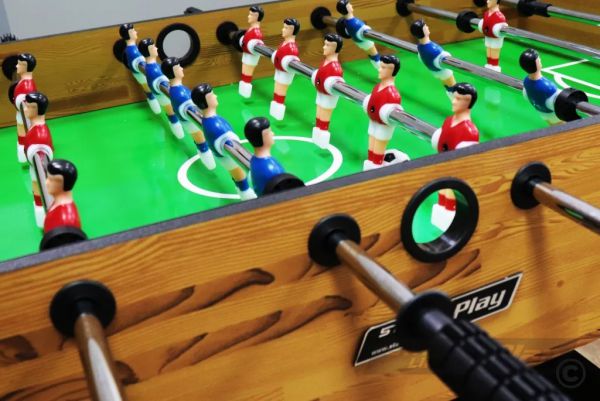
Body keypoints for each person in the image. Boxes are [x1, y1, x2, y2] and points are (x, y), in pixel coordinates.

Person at [191, 84, 257, 200]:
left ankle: (244, 191)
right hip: (224, 154)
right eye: (212, 95)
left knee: (238, 174)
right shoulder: (215, 125)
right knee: (239, 174)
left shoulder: (209, 121)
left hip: (221, 152)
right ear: (205, 101)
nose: (215, 96)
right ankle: (245, 192)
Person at [431, 83, 480, 231]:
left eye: (458, 99)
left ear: (468, 102)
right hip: (442, 165)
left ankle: (451, 213)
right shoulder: (448, 121)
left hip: (454, 173)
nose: (453, 101)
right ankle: (443, 209)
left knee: (452, 193)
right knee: (442, 192)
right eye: (454, 97)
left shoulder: (469, 131)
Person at [161, 57, 215, 170]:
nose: (181, 68)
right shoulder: (180, 92)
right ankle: (207, 159)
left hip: (184, 118)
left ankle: (206, 156)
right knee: (200, 141)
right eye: (178, 67)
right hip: (188, 120)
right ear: (173, 72)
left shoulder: (176, 90)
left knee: (200, 140)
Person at [362, 55, 409, 170]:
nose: (379, 69)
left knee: (377, 151)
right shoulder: (377, 87)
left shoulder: (392, 94)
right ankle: (370, 166)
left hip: (383, 126)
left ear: (392, 70)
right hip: (373, 121)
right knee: (371, 150)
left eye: (383, 68)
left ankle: (377, 169)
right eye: (380, 66)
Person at [138, 38, 185, 138]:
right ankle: (177, 130)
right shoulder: (154, 69)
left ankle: (177, 129)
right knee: (171, 113)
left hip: (159, 93)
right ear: (148, 51)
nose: (156, 48)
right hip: (161, 94)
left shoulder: (152, 67)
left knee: (171, 113)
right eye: (153, 47)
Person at [22, 92, 54, 228]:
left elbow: (43, 162)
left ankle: (44, 215)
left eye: (28, 106)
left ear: (35, 109)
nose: (24, 109)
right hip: (34, 169)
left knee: (39, 187)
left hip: (38, 172)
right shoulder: (35, 129)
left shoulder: (39, 135)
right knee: (36, 187)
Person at [311, 33, 345, 149]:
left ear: (334, 48)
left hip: (328, 96)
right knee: (319, 115)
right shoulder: (325, 61)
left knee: (324, 116)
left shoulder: (335, 67)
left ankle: (322, 137)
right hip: (320, 92)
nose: (324, 47)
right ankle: (317, 135)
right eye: (324, 44)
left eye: (327, 45)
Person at [118, 23, 161, 113]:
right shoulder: (133, 51)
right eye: (133, 30)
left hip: (139, 74)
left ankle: (157, 109)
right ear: (129, 33)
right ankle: (158, 110)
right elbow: (140, 64)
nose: (136, 32)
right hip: (141, 74)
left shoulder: (130, 49)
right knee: (150, 91)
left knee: (149, 91)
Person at [410, 19, 456, 94]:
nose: (427, 27)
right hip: (442, 71)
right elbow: (443, 56)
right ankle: (455, 98)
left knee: (449, 88)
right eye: (425, 26)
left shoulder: (420, 47)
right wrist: (447, 55)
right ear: (423, 31)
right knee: (453, 88)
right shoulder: (432, 49)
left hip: (436, 71)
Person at [244, 117, 287, 196]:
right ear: (263, 137)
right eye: (269, 132)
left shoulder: (254, 160)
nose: (273, 134)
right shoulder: (272, 169)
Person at [519, 49, 562, 125]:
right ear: (536, 63)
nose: (540, 59)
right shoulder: (548, 87)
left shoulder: (526, 81)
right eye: (538, 59)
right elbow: (560, 102)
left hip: (542, 113)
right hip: (555, 115)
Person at [270, 18, 301, 120]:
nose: (282, 30)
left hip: (285, 73)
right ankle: (275, 109)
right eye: (284, 27)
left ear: (292, 30)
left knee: (280, 92)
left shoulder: (292, 47)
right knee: (276, 91)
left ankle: (278, 111)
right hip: (279, 70)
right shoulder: (284, 43)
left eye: (286, 28)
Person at [336, 0, 380, 69]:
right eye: (349, 5)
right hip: (365, 42)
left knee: (372, 56)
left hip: (359, 42)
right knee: (375, 56)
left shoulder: (346, 22)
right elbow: (363, 29)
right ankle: (381, 70)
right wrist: (367, 28)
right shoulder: (354, 22)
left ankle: (380, 70)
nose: (351, 6)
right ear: (346, 9)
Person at [44, 159, 82, 234]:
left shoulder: (67, 221)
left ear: (63, 183)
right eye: (47, 178)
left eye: (51, 180)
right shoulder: (57, 203)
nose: (46, 183)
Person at [13, 53, 37, 163]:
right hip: (21, 118)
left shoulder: (27, 86)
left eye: (19, 64)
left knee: (24, 136)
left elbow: (28, 110)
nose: (16, 66)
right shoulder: (23, 83)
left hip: (25, 120)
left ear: (25, 66)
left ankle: (26, 156)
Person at [239, 5, 265, 98]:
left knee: (247, 75)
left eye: (251, 15)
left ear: (256, 16)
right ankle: (243, 91)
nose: (248, 16)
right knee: (244, 74)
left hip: (251, 56)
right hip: (246, 54)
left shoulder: (256, 32)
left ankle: (246, 93)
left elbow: (257, 43)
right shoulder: (251, 29)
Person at [477, 0, 507, 72]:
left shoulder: (499, 16)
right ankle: (489, 64)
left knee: (494, 50)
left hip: (496, 39)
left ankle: (494, 66)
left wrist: (498, 29)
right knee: (488, 49)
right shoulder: (486, 14)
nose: (487, 1)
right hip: (488, 36)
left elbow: (502, 27)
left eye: (490, 0)